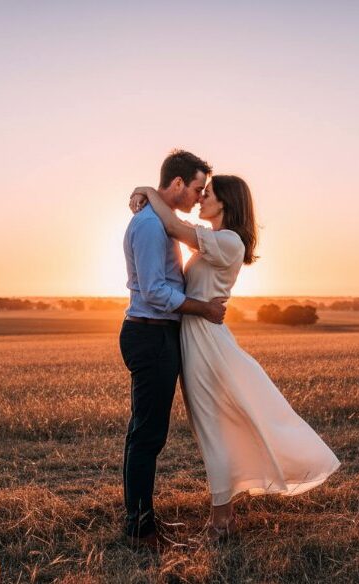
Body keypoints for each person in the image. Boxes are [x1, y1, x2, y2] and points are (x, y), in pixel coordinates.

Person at [129, 175, 341, 541]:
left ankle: (220, 523)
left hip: (206, 343)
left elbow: (174, 225)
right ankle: (222, 517)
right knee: (214, 428)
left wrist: (147, 191)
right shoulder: (215, 241)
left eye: (207, 194)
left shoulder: (229, 242)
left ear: (226, 202)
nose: (200, 200)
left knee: (213, 429)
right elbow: (179, 227)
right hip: (196, 338)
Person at [119, 150, 228, 549]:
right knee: (147, 435)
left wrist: (144, 190)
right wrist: (205, 308)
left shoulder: (162, 220)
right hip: (149, 334)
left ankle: (144, 522)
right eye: (198, 188)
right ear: (178, 183)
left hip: (159, 334)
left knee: (148, 433)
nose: (201, 197)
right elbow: (154, 291)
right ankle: (140, 530)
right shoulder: (150, 226)